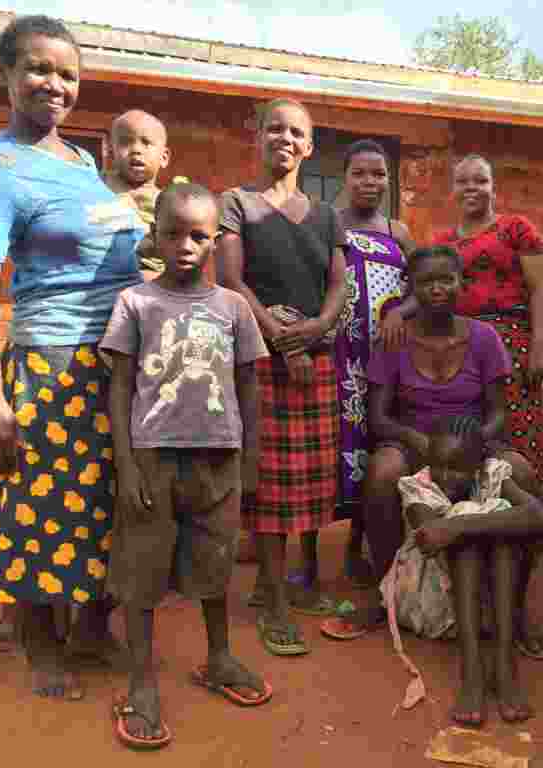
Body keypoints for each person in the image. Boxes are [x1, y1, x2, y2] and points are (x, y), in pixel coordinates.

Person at [0, 15, 145, 698]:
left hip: (111, 363)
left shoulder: (84, 163)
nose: (53, 84)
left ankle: (91, 628)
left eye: (67, 74)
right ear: (6, 74)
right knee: (40, 504)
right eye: (37, 68)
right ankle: (37, 641)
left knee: (102, 503)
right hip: (49, 362)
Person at [101, 183, 271, 749]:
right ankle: (142, 679)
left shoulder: (233, 308)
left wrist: (250, 461)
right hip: (152, 458)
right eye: (172, 233)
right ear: (154, 234)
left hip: (218, 460)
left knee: (215, 562)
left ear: (217, 241)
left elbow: (249, 386)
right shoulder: (135, 303)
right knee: (143, 569)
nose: (185, 245)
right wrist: (126, 466)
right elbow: (121, 386)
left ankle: (219, 656)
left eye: (199, 235)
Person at [320, 246, 543, 650]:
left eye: (447, 279)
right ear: (411, 287)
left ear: (462, 284)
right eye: (427, 281)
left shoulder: (484, 338)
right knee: (382, 473)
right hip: (415, 440)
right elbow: (379, 418)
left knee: (524, 475)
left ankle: (516, 611)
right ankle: (386, 593)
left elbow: (499, 413)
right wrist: (420, 442)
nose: (438, 289)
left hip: (473, 440)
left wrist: (474, 444)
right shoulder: (394, 340)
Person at [215, 97, 348, 655]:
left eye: (296, 132)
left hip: (314, 358)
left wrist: (315, 328)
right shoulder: (236, 204)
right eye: (275, 129)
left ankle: (293, 584)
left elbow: (339, 284)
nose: (285, 139)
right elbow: (231, 280)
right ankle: (270, 597)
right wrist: (277, 332)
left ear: (309, 146)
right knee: (268, 483)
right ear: (258, 137)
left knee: (312, 477)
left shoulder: (326, 214)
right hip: (260, 359)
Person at [290, 139, 417, 592]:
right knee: (321, 450)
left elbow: (423, 283)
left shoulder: (398, 232)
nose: (370, 182)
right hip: (335, 355)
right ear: (345, 177)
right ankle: (305, 557)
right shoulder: (325, 222)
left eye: (379, 174)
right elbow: (307, 280)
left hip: (382, 364)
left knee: (369, 449)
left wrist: (402, 312)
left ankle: (355, 549)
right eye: (360, 173)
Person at [386, 415, 543, 727]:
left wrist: (460, 525)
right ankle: (472, 672)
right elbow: (432, 536)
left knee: (487, 524)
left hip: (489, 605)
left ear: (479, 466)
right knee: (476, 523)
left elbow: (539, 517)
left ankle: (504, 666)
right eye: (439, 465)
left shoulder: (491, 475)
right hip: (435, 604)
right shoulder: (419, 487)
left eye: (458, 468)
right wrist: (461, 525)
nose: (446, 476)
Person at [432, 154, 543, 516]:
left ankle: (536, 511)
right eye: (464, 182)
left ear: (493, 187)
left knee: (521, 427)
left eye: (481, 181)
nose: (472, 188)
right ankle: (482, 510)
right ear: (453, 190)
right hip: (462, 347)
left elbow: (540, 288)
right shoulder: (442, 242)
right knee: (474, 427)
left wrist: (538, 346)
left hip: (512, 343)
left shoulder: (516, 229)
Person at [102, 110, 171, 278]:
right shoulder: (99, 183)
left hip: (152, 276)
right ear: (111, 151)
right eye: (125, 142)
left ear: (164, 157)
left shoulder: (168, 201)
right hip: (102, 272)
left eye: (146, 143)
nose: (136, 150)